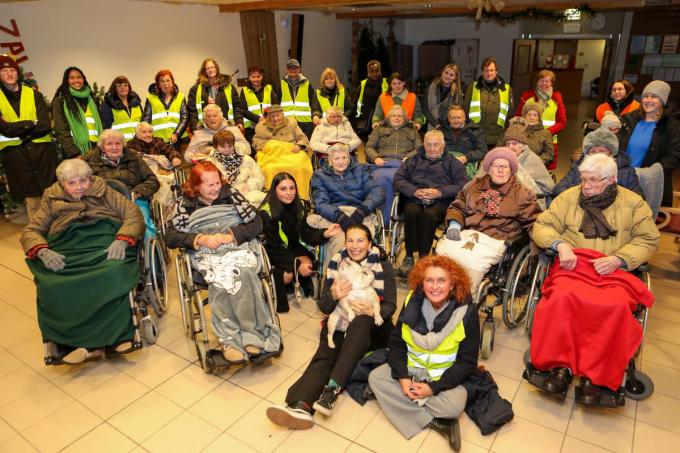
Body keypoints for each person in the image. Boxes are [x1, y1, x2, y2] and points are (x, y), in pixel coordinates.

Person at [527, 153, 659, 405]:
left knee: (615, 306)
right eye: (583, 179)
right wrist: (559, 244)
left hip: (613, 271)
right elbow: (542, 225)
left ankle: (597, 377)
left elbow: (648, 239)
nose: (585, 186)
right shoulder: (569, 197)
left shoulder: (634, 204)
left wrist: (620, 259)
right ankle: (560, 367)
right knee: (560, 297)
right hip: (574, 265)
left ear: (611, 180)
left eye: (593, 181)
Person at [266, 224, 396, 428]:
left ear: (370, 243)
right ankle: (300, 405)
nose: (355, 246)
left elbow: (391, 305)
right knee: (327, 352)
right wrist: (334, 295)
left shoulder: (382, 265)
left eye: (360, 240)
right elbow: (324, 307)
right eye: (350, 240)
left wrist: (372, 311)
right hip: (343, 321)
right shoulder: (336, 265)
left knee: (361, 320)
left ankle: (332, 390)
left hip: (376, 328)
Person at [20, 159, 145, 364]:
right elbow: (31, 230)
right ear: (62, 183)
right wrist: (42, 251)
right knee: (52, 284)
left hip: (104, 241)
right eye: (72, 183)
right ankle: (70, 343)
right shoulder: (51, 197)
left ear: (90, 178)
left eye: (83, 181)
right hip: (67, 247)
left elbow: (133, 214)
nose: (79, 187)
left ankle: (118, 336)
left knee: (113, 271)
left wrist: (122, 240)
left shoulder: (104, 190)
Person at [164, 161, 276, 363]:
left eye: (218, 183)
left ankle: (251, 334)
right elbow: (171, 237)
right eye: (210, 185)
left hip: (235, 246)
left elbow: (257, 222)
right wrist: (200, 239)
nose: (216, 188)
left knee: (243, 272)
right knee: (222, 278)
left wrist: (231, 235)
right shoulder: (185, 203)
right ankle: (229, 340)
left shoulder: (231, 195)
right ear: (196, 186)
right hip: (207, 252)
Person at [368, 255, 479, 451]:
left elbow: (467, 362)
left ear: (452, 285)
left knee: (454, 406)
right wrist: (403, 378)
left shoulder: (467, 312)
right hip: (411, 370)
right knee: (375, 378)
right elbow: (396, 343)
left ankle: (402, 401)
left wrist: (432, 388)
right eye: (429, 280)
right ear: (422, 283)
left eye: (441, 280)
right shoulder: (411, 302)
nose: (435, 287)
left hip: (442, 377)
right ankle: (437, 423)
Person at [439, 148, 540, 292]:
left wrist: (537, 252)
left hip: (496, 239)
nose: (500, 170)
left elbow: (533, 221)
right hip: (469, 233)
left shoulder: (522, 194)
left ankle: (464, 297)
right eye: (496, 165)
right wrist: (454, 223)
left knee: (472, 259)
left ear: (511, 170)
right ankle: (439, 292)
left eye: (505, 167)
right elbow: (458, 206)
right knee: (443, 252)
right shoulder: (474, 185)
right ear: (489, 168)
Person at [260, 172, 341, 312]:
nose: (289, 193)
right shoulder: (266, 212)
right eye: (283, 189)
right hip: (273, 252)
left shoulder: (299, 205)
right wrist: (296, 264)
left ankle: (297, 279)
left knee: (308, 265)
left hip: (291, 247)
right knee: (287, 275)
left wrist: (324, 233)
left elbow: (305, 232)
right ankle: (285, 283)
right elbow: (273, 248)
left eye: (292, 188)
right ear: (274, 190)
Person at [393, 130, 468, 275]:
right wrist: (414, 191)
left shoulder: (453, 163)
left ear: (443, 145)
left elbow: (462, 186)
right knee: (411, 211)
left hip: (440, 201)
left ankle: (423, 257)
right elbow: (398, 179)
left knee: (429, 215)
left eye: (436, 145)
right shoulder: (413, 160)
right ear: (423, 145)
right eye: (429, 145)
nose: (432, 149)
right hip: (414, 198)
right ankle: (409, 256)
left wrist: (440, 192)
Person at [0, 55, 57, 221]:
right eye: (4, 70)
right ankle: (38, 233)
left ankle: (59, 230)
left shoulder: (34, 94)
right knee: (32, 201)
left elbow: (45, 125)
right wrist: (31, 123)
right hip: (16, 156)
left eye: (12, 70)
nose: (9, 74)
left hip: (42, 153)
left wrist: (16, 127)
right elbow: (4, 130)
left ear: (18, 73)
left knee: (52, 196)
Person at [309, 143, 385, 268]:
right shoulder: (319, 175)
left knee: (360, 241)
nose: (341, 162)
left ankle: (365, 274)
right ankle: (336, 275)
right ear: (330, 161)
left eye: (344, 157)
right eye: (336, 158)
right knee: (340, 241)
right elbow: (321, 202)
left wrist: (361, 211)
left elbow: (377, 192)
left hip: (360, 211)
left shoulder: (360, 170)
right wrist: (340, 217)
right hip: (334, 215)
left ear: (349, 159)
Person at [87, 129, 160, 240]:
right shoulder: (91, 162)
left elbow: (153, 180)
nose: (114, 147)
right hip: (104, 203)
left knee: (143, 226)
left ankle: (150, 248)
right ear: (102, 147)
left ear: (123, 145)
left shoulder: (134, 157)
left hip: (134, 200)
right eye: (109, 144)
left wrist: (138, 192)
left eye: (118, 143)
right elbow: (84, 185)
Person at [619, 80, 680, 206]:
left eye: (654, 97)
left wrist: (648, 173)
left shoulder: (672, 126)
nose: (648, 100)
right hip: (623, 181)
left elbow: (674, 157)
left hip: (649, 186)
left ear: (663, 101)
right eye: (646, 96)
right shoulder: (629, 120)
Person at [365, 105, 422, 224]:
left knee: (404, 180)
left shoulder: (412, 130)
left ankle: (396, 217)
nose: (397, 118)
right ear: (389, 117)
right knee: (381, 180)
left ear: (405, 118)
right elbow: (369, 147)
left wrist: (409, 157)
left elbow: (419, 148)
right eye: (394, 115)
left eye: (400, 116)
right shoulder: (380, 129)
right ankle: (384, 219)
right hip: (383, 164)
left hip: (403, 164)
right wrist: (375, 158)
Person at [554, 127, 642, 198]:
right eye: (593, 151)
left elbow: (637, 197)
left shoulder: (626, 171)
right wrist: (582, 194)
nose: (597, 155)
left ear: (611, 153)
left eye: (602, 151)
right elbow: (558, 189)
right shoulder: (578, 166)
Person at [253, 104, 313, 200]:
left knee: (301, 168)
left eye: (278, 115)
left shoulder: (292, 123)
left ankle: (301, 198)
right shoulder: (260, 127)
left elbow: (303, 138)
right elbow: (256, 143)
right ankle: (273, 198)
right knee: (269, 169)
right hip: (273, 155)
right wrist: (271, 145)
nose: (276, 118)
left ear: (283, 114)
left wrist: (299, 146)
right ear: (267, 117)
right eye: (272, 116)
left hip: (292, 153)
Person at [515, 70, 566, 170]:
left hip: (548, 142)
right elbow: (517, 117)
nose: (544, 84)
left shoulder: (556, 99)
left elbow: (562, 122)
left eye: (547, 81)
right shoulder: (527, 97)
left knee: (544, 170)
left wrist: (546, 133)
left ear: (551, 83)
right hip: (527, 140)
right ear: (537, 82)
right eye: (541, 80)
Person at [52, 66, 103, 158]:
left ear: (83, 79)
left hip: (97, 148)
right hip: (75, 151)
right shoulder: (60, 100)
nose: (76, 80)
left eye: (79, 77)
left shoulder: (91, 99)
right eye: (72, 78)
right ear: (66, 80)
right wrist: (74, 153)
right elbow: (61, 130)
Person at [498, 120, 555, 200]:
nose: (510, 147)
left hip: (535, 200)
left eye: (514, 143)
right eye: (508, 144)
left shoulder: (532, 160)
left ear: (523, 145)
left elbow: (549, 189)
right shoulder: (506, 159)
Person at [206, 129, 265, 206]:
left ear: (234, 145)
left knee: (262, 199)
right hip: (222, 197)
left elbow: (259, 177)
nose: (227, 149)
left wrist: (249, 186)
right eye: (223, 146)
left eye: (230, 146)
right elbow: (207, 184)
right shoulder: (210, 162)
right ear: (216, 147)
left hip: (246, 192)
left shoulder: (245, 159)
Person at [464, 57, 514, 147]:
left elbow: (510, 113)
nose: (489, 73)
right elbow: (465, 110)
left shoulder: (506, 89)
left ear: (496, 71)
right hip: (476, 136)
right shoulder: (473, 87)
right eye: (486, 70)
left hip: (498, 138)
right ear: (482, 72)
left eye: (491, 70)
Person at [187, 58, 243, 132]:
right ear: (204, 71)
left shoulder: (229, 87)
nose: (210, 70)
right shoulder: (195, 90)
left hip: (227, 127)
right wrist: (195, 128)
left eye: (212, 67)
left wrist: (239, 121)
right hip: (205, 130)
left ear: (216, 68)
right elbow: (192, 112)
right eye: (207, 68)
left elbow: (237, 107)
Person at [184, 104, 250, 163]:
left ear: (221, 117)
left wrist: (229, 147)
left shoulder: (233, 129)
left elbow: (248, 149)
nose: (212, 118)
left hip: (234, 163)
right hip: (210, 167)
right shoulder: (199, 134)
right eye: (208, 116)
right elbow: (188, 154)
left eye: (215, 116)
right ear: (205, 119)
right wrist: (196, 157)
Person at [275, 58, 322, 139]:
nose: (293, 70)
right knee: (289, 144)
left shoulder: (307, 84)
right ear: (287, 70)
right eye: (290, 68)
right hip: (287, 122)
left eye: (295, 68)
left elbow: (314, 102)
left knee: (305, 144)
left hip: (305, 123)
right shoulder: (282, 84)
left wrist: (315, 114)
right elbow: (277, 103)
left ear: (299, 69)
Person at [142, 69, 189, 149]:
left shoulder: (180, 96)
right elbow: (146, 120)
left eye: (168, 80)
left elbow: (185, 118)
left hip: (179, 140)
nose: (165, 84)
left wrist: (176, 134)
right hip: (158, 142)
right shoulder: (151, 98)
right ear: (158, 84)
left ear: (172, 82)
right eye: (162, 81)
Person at [440, 105, 488, 179]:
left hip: (467, 164)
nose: (456, 120)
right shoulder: (440, 131)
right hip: (444, 163)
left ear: (464, 118)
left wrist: (466, 158)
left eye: (459, 117)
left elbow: (482, 150)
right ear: (448, 118)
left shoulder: (476, 130)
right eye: (453, 118)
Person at [238, 65, 278, 146]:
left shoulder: (269, 88)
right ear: (249, 78)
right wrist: (258, 119)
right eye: (253, 77)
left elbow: (275, 106)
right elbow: (243, 110)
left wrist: (267, 119)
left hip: (269, 126)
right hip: (251, 129)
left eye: (258, 76)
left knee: (270, 148)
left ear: (262, 76)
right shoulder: (244, 90)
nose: (256, 79)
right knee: (254, 150)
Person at [352, 60, 388, 141]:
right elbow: (356, 103)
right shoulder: (363, 84)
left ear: (380, 71)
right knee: (367, 143)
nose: (374, 73)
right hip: (365, 119)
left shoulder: (387, 82)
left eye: (376, 71)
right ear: (368, 72)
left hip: (382, 118)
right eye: (372, 71)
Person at [100, 76, 143, 141]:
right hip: (119, 144)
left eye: (125, 85)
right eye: (119, 85)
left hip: (138, 143)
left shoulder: (137, 104)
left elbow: (142, 124)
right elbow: (106, 129)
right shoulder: (108, 106)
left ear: (129, 88)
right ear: (114, 88)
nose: (123, 87)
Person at [424, 63, 463, 130]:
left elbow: (459, 111)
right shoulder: (431, 88)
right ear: (442, 72)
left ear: (455, 77)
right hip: (433, 126)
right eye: (446, 73)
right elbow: (425, 109)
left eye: (451, 75)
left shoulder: (458, 93)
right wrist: (436, 124)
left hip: (450, 128)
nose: (447, 76)